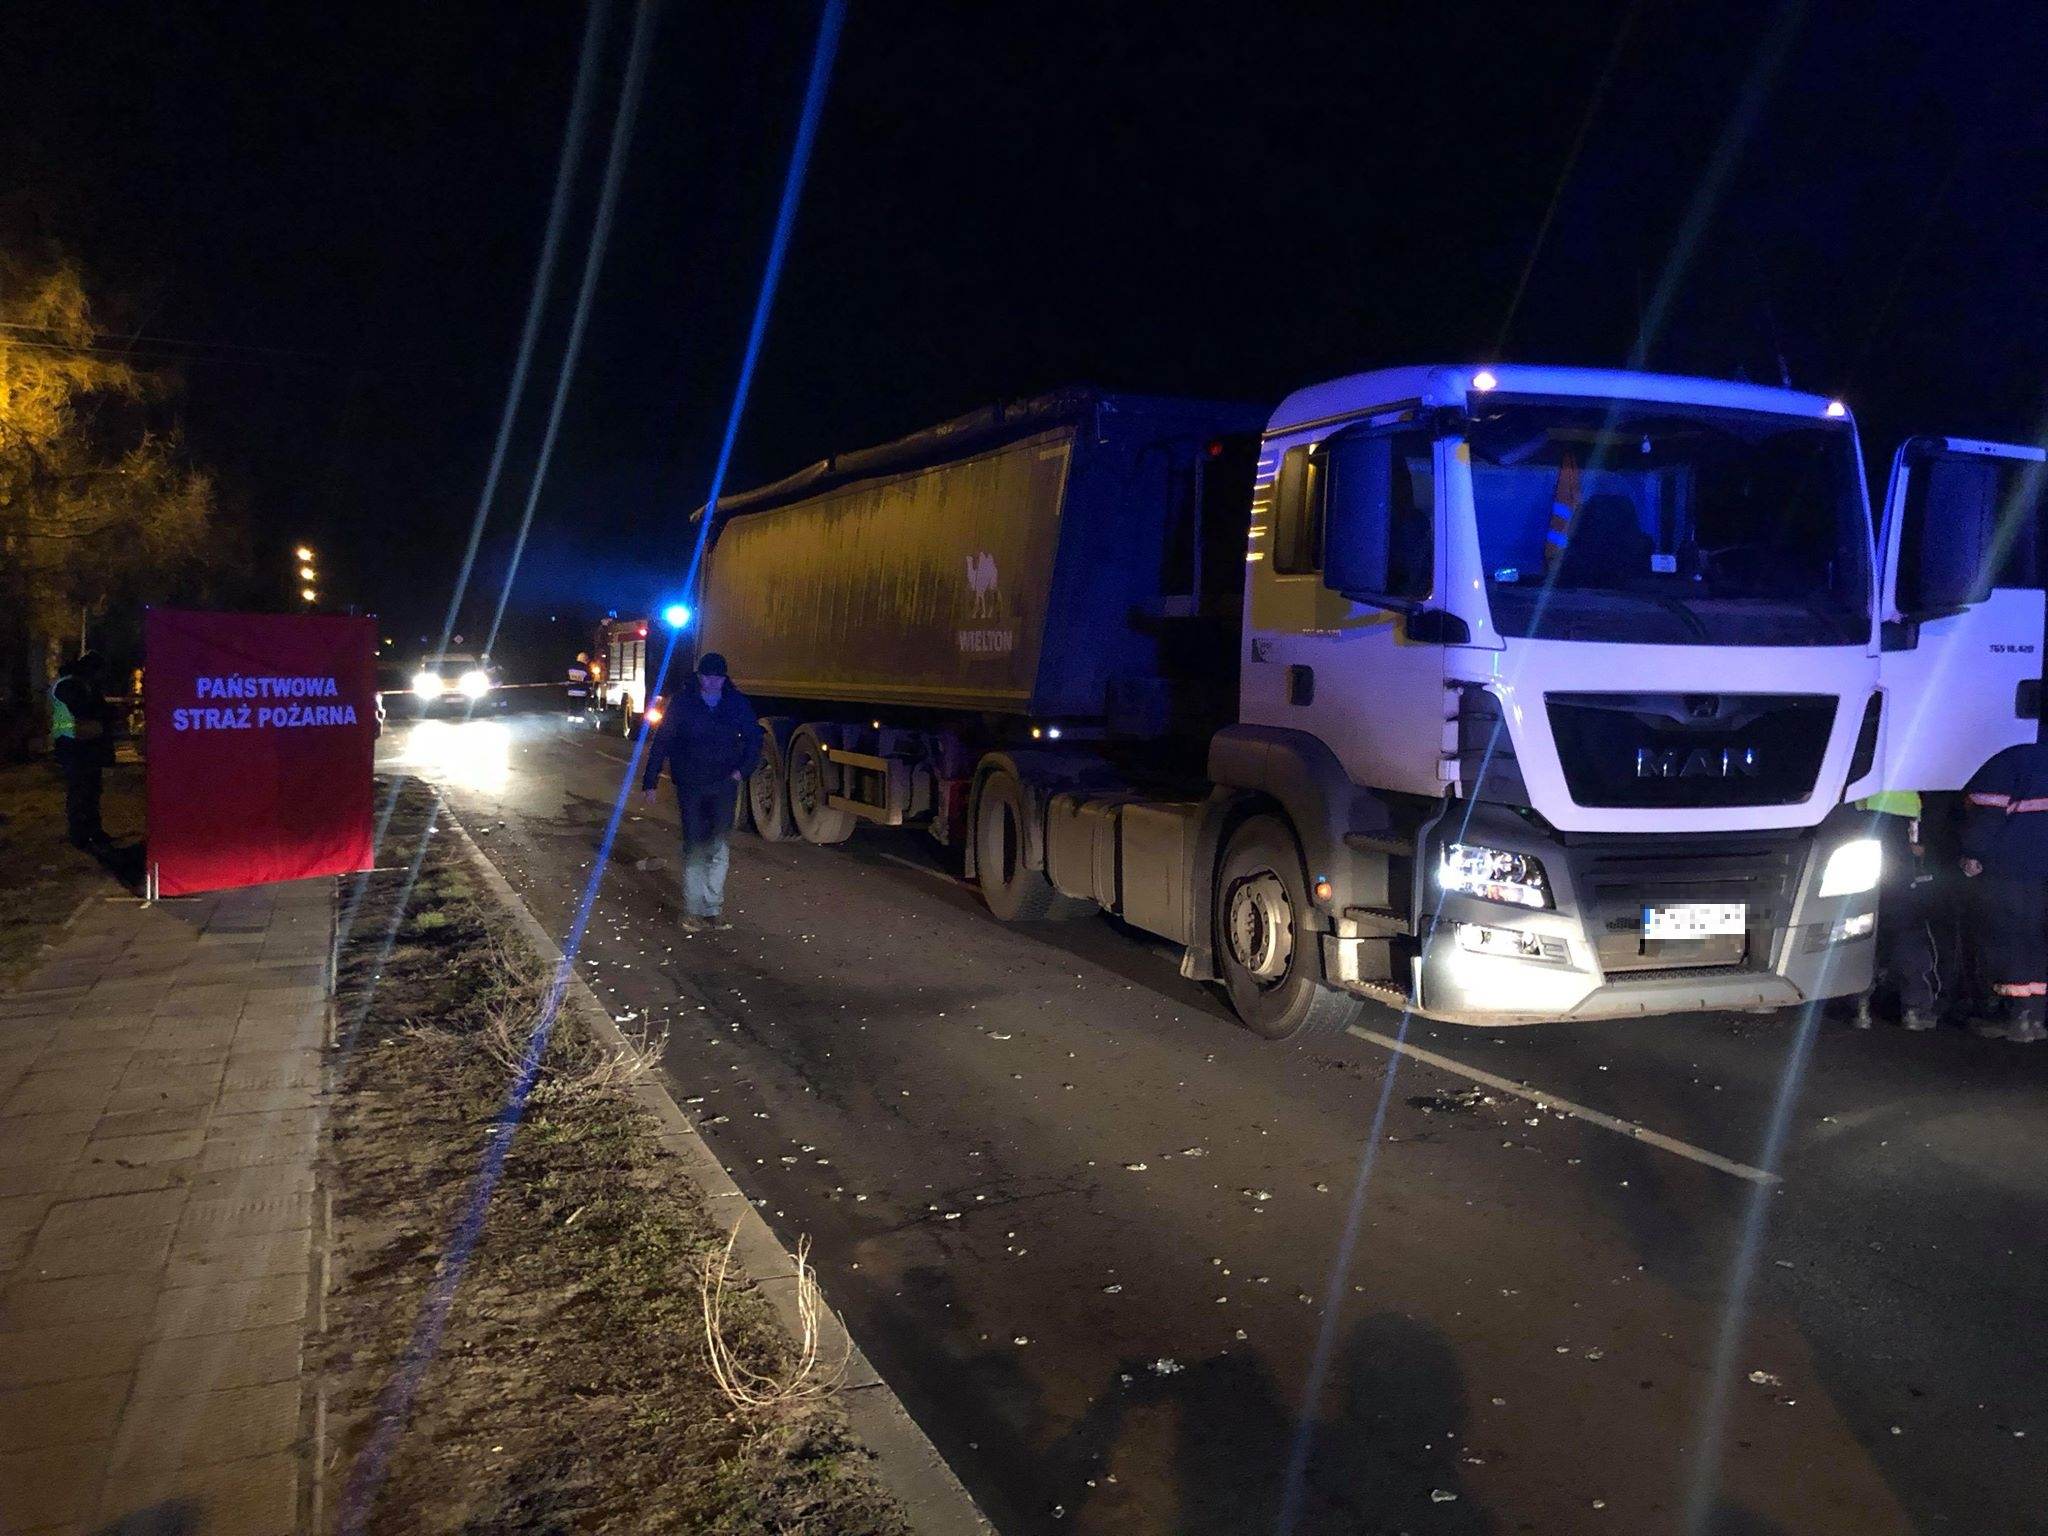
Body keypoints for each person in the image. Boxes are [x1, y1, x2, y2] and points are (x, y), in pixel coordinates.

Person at [639, 653, 762, 932]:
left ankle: (713, 910)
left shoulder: (735, 704)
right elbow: (663, 741)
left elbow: (755, 738)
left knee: (718, 847)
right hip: (691, 784)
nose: (711, 682)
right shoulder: (683, 703)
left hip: (723, 784)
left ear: (724, 678)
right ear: (699, 676)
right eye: (707, 676)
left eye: (717, 677)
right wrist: (650, 781)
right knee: (694, 846)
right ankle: (692, 911)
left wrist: (742, 770)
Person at [1958, 742, 2048, 1043]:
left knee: (2009, 937)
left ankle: (2017, 1017)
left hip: (2014, 867)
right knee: (2038, 939)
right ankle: (2035, 1016)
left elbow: (1987, 815)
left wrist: (1973, 853)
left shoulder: (2007, 760)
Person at [1852, 790, 1940, 1030]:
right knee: (1907, 931)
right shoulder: (1911, 767)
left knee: (1862, 927)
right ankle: (1914, 1009)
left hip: (1861, 822)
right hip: (1900, 831)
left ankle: (1861, 1005)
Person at [50, 651, 115, 850]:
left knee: (91, 791)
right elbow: (89, 711)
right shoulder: (72, 685)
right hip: (75, 746)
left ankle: (92, 832)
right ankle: (80, 834)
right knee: (81, 792)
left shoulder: (78, 683)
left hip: (83, 745)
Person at [566, 651, 593, 721]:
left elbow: (567, 677)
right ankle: (579, 720)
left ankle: (571, 719)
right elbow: (588, 680)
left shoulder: (571, 667)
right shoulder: (586, 669)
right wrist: (589, 689)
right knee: (580, 706)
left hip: (571, 691)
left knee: (572, 705)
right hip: (581, 692)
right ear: (585, 660)